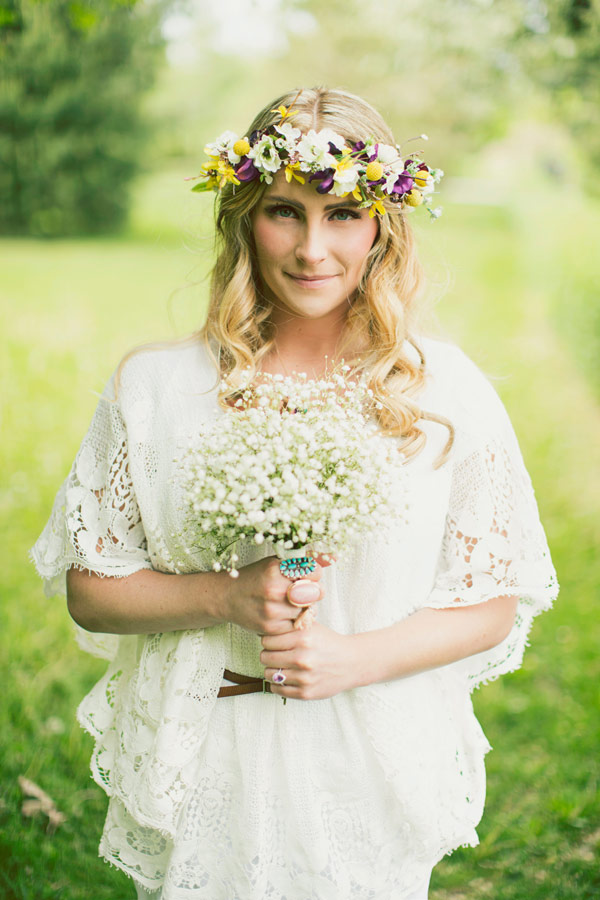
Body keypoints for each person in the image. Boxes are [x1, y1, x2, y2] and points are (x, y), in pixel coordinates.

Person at [31, 87, 558, 900]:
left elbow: (491, 596)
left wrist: (352, 658)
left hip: (366, 750)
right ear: (244, 217)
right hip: (210, 745)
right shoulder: (157, 387)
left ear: (384, 224)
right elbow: (92, 593)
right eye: (285, 212)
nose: (314, 249)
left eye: (344, 214)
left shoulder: (443, 393)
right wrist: (229, 596)